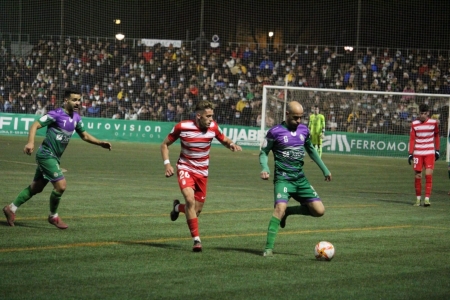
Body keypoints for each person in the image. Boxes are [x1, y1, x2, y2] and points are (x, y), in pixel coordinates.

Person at [3, 88, 112, 229]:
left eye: (79, 100)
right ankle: (53, 216)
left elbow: (84, 135)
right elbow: (36, 125)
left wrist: (100, 143)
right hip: (46, 155)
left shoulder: (76, 118)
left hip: (54, 157)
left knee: (36, 188)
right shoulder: (56, 114)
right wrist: (30, 142)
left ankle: (11, 208)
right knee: (61, 186)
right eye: (74, 100)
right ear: (66, 100)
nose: (77, 102)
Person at [160, 100, 242, 252]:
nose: (211, 119)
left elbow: (224, 140)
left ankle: (177, 208)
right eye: (208, 116)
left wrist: (231, 144)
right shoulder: (182, 127)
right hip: (185, 168)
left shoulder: (213, 127)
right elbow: (164, 145)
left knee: (195, 211)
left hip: (202, 173)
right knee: (190, 200)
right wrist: (167, 164)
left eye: (212, 116)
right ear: (199, 116)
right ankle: (197, 241)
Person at [259, 101, 332, 257]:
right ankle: (268, 249)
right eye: (295, 117)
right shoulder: (275, 132)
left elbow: (311, 150)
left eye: (300, 117)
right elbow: (264, 152)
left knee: (319, 211)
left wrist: (324, 169)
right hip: (283, 180)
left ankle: (288, 212)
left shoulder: (304, 130)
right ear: (286, 114)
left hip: (300, 179)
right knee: (278, 209)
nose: (298, 121)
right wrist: (265, 168)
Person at [408, 103, 439, 207]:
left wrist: (437, 150)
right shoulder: (414, 124)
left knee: (428, 174)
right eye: (421, 113)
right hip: (418, 153)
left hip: (429, 152)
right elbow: (412, 139)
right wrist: (410, 153)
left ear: (428, 113)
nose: (423, 115)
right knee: (418, 175)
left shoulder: (433, 123)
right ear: (419, 113)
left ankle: (427, 199)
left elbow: (436, 136)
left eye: (424, 113)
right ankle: (418, 199)